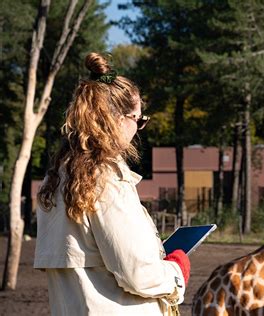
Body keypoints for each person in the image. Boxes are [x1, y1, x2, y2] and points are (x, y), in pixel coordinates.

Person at [34, 52, 190, 316]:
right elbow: (138, 273)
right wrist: (176, 270)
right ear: (118, 120)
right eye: (139, 120)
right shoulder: (107, 180)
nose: (139, 129)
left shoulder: (55, 180)